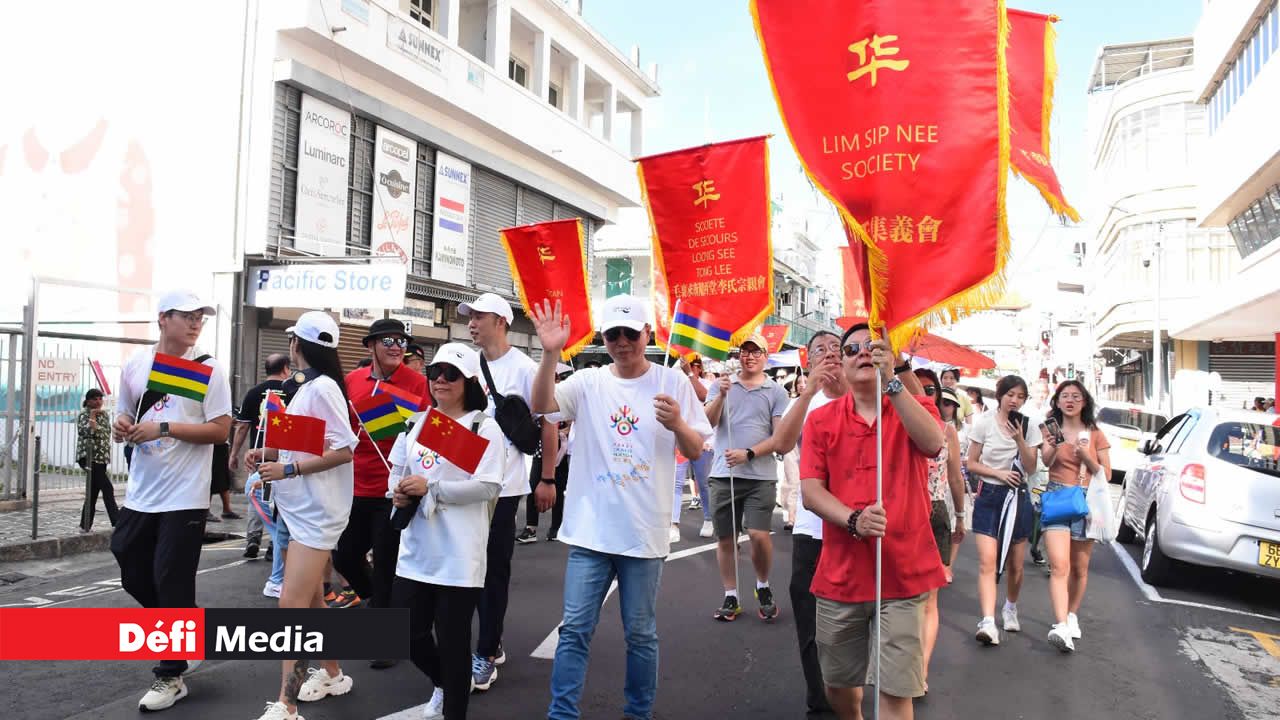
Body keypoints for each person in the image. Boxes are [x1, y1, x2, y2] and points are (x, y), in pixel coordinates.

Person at [530, 295, 712, 720]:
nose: (623, 341)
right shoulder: (589, 381)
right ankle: (562, 714)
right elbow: (542, 406)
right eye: (614, 333)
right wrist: (550, 352)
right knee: (574, 629)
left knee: (641, 635)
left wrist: (678, 424)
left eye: (632, 333)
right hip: (590, 533)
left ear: (648, 334)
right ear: (604, 337)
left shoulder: (672, 382)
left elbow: (696, 447)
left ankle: (638, 713)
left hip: (643, 534)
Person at [800, 323, 946, 720]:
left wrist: (894, 383)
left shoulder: (911, 406)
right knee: (840, 688)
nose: (863, 353)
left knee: (897, 692)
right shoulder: (821, 420)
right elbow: (811, 491)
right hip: (841, 576)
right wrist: (853, 520)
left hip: (902, 576)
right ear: (842, 366)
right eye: (852, 350)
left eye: (873, 346)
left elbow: (933, 443)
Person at [110, 290, 232, 712]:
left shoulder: (208, 368)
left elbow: (220, 430)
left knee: (171, 577)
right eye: (187, 315)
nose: (196, 322)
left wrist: (165, 428)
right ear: (164, 318)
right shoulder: (137, 364)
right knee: (128, 563)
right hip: (143, 491)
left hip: (186, 495)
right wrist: (124, 425)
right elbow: (122, 415)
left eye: (201, 316)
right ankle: (186, 629)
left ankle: (171, 673)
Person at [246, 311, 358, 720]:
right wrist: (268, 454)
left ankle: (287, 705)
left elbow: (345, 449)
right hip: (301, 509)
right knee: (310, 601)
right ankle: (332, 673)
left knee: (290, 606)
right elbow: (305, 442)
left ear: (297, 344)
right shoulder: (311, 386)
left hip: (317, 514)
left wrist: (287, 469)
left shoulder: (323, 388)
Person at [388, 343, 506, 720]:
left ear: (469, 381)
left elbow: (489, 486)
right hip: (416, 552)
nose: (440, 380)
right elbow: (398, 468)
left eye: (451, 374)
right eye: (435, 372)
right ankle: (443, 682)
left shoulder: (482, 426)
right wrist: (398, 491)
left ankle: (454, 705)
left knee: (455, 644)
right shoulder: (417, 422)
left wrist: (433, 489)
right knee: (407, 634)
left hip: (459, 557)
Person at [460, 292, 557, 689]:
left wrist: (547, 478)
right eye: (469, 317)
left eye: (478, 316)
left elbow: (549, 422)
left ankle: (485, 653)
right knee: (466, 569)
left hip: (504, 486)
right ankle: (490, 641)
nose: (470, 322)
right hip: (462, 483)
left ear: (501, 321)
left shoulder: (525, 368)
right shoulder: (466, 364)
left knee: (493, 572)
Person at [335, 318, 428, 665]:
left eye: (402, 342)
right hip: (355, 485)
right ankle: (381, 604)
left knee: (388, 562)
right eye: (388, 340)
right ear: (370, 345)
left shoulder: (419, 384)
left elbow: (426, 432)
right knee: (344, 556)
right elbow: (338, 426)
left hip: (394, 488)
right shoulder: (352, 381)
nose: (395, 346)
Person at [771, 330, 844, 715]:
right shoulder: (806, 402)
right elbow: (782, 443)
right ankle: (819, 702)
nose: (830, 355)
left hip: (857, 531)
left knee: (857, 625)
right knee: (810, 624)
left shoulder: (863, 398)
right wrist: (807, 392)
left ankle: (855, 698)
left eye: (838, 349)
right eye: (821, 351)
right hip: (812, 531)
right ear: (809, 359)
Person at [705, 333, 789, 622]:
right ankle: (731, 595)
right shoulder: (720, 384)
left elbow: (779, 438)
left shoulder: (777, 391)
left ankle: (762, 585)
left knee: (758, 535)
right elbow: (707, 422)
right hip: (723, 474)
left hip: (760, 476)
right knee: (726, 538)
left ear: (766, 356)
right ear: (738, 355)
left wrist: (749, 453)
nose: (749, 356)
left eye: (756, 351)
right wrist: (722, 395)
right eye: (744, 351)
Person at [967, 374, 1042, 646]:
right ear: (1000, 395)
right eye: (1011, 394)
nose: (1015, 400)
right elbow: (971, 463)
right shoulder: (984, 422)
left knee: (1016, 566)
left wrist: (1020, 439)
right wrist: (997, 473)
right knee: (987, 561)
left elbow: (1031, 467)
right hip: (989, 494)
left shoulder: (1029, 425)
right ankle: (988, 621)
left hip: (1017, 497)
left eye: (1020, 396)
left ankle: (1010, 606)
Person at [1040, 380, 1111, 653]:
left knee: (1079, 568)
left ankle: (1071, 615)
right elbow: (1045, 462)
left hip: (1086, 500)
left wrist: (1086, 457)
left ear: (1084, 402)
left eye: (1076, 396)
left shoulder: (1095, 434)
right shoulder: (1052, 428)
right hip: (1057, 497)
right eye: (1065, 396)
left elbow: (1107, 471)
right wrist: (1051, 445)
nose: (1070, 400)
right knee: (1059, 566)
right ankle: (1060, 625)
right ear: (1057, 402)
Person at [913, 369, 966, 693]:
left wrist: (961, 515)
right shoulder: (892, 421)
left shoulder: (947, 430)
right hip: (899, 513)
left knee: (930, 598)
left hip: (934, 511)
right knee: (897, 596)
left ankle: (921, 671)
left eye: (930, 388)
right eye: (916, 387)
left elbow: (956, 477)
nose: (924, 393)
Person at [231, 353, 292, 559]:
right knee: (280, 500)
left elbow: (241, 428)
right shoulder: (292, 391)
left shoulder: (253, 393)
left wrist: (233, 454)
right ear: (285, 368)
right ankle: (276, 543)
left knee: (257, 496)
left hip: (259, 455)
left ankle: (253, 539)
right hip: (284, 456)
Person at [518, 368, 574, 544]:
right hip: (540, 451)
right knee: (533, 487)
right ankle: (530, 527)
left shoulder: (566, 397)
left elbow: (573, 421)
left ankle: (556, 527)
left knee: (557, 489)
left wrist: (564, 431)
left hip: (561, 451)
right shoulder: (538, 397)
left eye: (553, 378)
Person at [675, 356, 714, 538]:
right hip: (679, 438)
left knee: (704, 482)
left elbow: (703, 396)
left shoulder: (707, 383)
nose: (689, 367)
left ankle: (709, 518)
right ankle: (673, 523)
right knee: (675, 482)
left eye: (694, 365)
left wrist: (689, 374)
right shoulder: (677, 384)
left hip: (702, 441)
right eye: (688, 365)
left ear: (699, 368)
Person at [77, 388, 118, 531]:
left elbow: (106, 433)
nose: (98, 401)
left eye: (100, 399)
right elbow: (86, 432)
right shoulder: (84, 415)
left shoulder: (105, 415)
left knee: (93, 492)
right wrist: (92, 418)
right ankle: (117, 522)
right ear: (88, 401)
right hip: (89, 457)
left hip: (101, 458)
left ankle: (85, 525)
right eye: (95, 399)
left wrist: (96, 427)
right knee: (107, 487)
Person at [938, 387, 969, 573]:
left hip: (954, 481)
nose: (946, 407)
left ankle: (948, 566)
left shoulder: (961, 429)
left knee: (954, 525)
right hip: (937, 483)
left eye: (950, 404)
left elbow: (957, 471)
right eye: (944, 402)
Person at [778, 373, 808, 532]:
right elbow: (785, 423)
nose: (802, 385)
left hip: (810, 446)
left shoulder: (819, 400)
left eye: (805, 382)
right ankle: (791, 517)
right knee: (793, 481)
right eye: (799, 383)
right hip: (793, 447)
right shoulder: (793, 403)